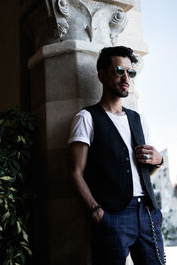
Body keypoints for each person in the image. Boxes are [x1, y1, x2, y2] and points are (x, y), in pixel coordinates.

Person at [68, 46, 165, 265]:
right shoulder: (87, 117)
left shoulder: (138, 119)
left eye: (130, 73)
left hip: (148, 212)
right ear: (102, 75)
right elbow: (75, 172)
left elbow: (147, 170)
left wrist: (158, 160)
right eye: (119, 71)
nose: (126, 78)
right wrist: (96, 210)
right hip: (113, 215)